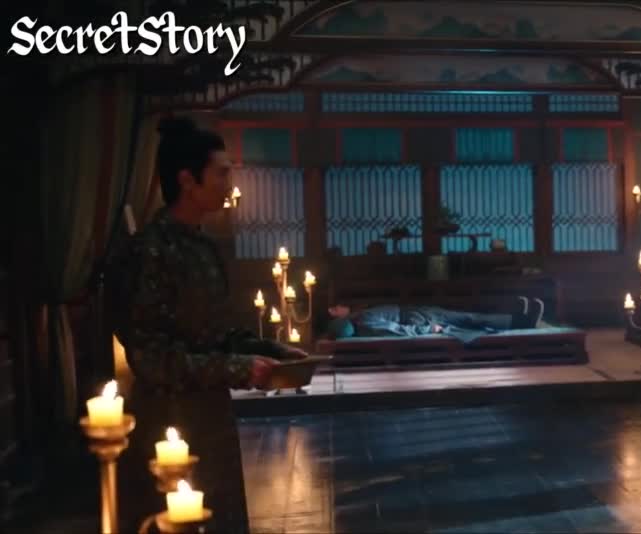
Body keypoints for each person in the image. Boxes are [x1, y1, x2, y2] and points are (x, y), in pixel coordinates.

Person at [107, 117, 303, 533]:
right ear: (188, 181)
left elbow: (217, 334)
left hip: (212, 417)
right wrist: (236, 368)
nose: (229, 183)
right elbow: (150, 358)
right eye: (221, 173)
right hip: (169, 426)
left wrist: (272, 351)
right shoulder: (150, 251)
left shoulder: (203, 248)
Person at [325, 298, 544, 344]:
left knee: (470, 317)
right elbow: (397, 330)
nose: (338, 308)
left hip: (417, 312)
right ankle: (524, 321)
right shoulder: (364, 321)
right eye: (334, 310)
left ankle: (520, 318)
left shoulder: (362, 314)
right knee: (470, 319)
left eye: (337, 307)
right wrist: (430, 329)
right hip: (417, 318)